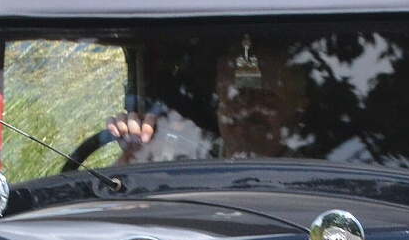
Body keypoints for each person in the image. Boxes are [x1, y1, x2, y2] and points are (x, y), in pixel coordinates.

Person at [104, 39, 307, 162]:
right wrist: (135, 153)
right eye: (235, 94)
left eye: (266, 96)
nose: (246, 107)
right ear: (218, 99)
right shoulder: (189, 160)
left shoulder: (313, 179)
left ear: (298, 109)